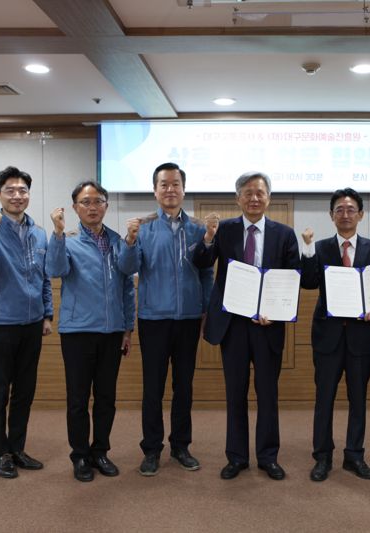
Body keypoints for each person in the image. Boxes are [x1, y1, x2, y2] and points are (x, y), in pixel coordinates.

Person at [192, 171, 300, 481]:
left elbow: (292, 279)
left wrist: (274, 312)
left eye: (260, 193)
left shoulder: (284, 234)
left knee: (268, 393)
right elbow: (201, 262)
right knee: (235, 393)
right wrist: (208, 238)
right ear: (238, 198)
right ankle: (236, 457)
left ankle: (268, 457)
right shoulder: (224, 230)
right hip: (233, 325)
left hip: (268, 326)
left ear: (269, 198)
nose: (254, 198)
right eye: (248, 193)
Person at [121, 162, 214, 476]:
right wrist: (130, 240)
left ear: (183, 189)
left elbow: (206, 274)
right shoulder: (143, 227)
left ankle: (181, 446)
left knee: (184, 387)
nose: (170, 189)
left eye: (175, 184)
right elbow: (128, 267)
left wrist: (206, 312)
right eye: (164, 184)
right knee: (153, 388)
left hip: (188, 318)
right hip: (154, 318)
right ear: (155, 190)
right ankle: (151, 449)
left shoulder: (199, 228)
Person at [46, 181, 136, 482]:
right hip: (78, 331)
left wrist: (127, 328)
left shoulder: (117, 241)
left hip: (112, 332)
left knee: (107, 397)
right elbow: (55, 270)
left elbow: (126, 287)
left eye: (98, 201)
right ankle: (80, 455)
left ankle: (100, 451)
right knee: (78, 399)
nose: (92, 207)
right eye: (85, 202)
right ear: (75, 208)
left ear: (106, 206)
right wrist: (57, 233)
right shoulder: (67, 240)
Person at [0, 166, 53, 479]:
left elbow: (44, 276)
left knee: (25, 390)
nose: (17, 196)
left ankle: (17, 447)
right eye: (10, 190)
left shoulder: (39, 233)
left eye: (22, 190)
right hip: (0, 322)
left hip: (32, 323)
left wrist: (47, 314)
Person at [300, 188, 370, 482]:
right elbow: (308, 283)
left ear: (360, 215)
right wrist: (307, 249)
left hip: (361, 336)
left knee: (358, 398)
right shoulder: (319, 248)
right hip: (327, 336)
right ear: (331, 215)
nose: (345, 215)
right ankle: (322, 457)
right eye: (339, 210)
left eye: (350, 210)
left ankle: (354, 456)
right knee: (325, 398)